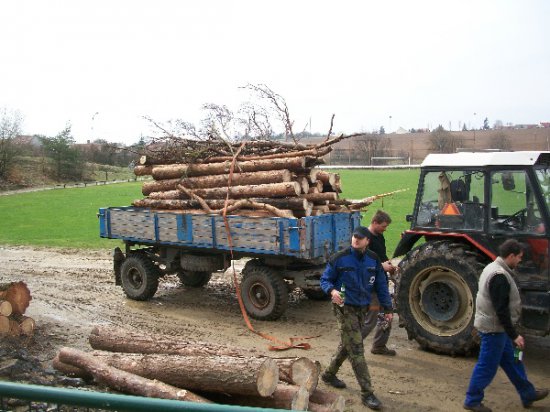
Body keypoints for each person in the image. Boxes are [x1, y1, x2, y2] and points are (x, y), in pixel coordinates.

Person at [463, 239, 548, 412]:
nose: (520, 261)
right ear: (511, 256)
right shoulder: (499, 276)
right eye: (519, 257)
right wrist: (514, 335)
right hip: (494, 330)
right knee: (487, 366)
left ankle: (528, 393)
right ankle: (472, 400)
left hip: (498, 329)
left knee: (513, 362)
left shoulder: (493, 267)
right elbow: (501, 310)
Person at [320, 226, 393, 410]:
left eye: (360, 238)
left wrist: (388, 308)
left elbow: (382, 285)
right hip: (343, 308)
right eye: (354, 237)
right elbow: (324, 280)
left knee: (348, 345)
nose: (356, 240)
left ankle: (328, 375)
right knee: (357, 349)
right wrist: (332, 290)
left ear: (367, 241)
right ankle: (367, 393)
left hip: (362, 308)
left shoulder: (373, 260)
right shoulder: (340, 258)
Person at [362, 210, 397, 356]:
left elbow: (381, 256)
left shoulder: (379, 236)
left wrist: (390, 265)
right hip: (370, 287)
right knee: (371, 320)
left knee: (387, 314)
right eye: (383, 226)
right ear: (375, 223)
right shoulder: (364, 238)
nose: (385, 229)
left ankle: (379, 346)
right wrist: (382, 267)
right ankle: (350, 346)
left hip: (381, 284)